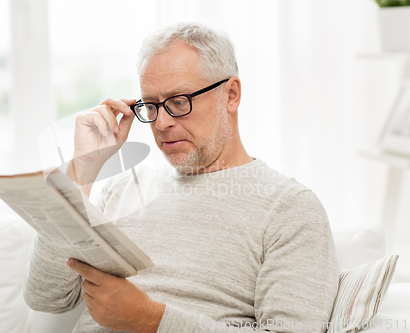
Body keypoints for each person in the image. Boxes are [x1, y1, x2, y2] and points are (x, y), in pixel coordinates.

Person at [23, 22, 340, 333]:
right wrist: (82, 170)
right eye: (151, 105)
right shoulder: (122, 189)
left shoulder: (290, 208)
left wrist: (151, 319)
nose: (160, 123)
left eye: (177, 102)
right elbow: (46, 297)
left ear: (230, 94)